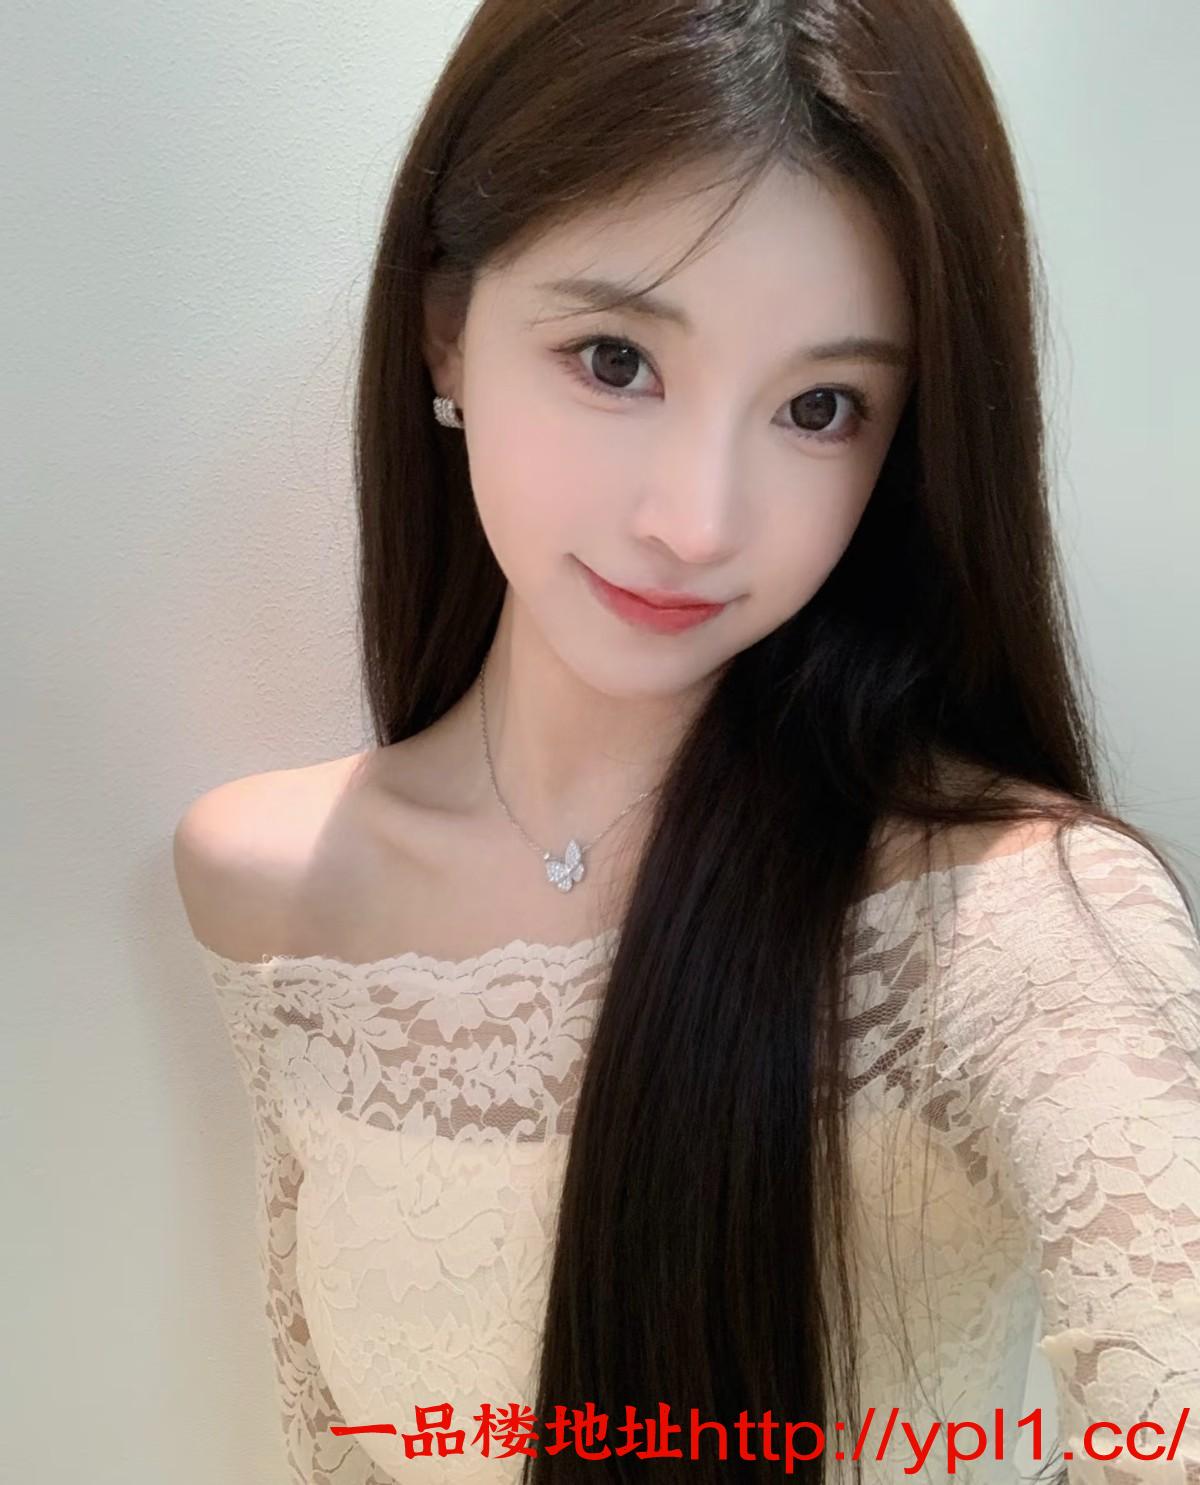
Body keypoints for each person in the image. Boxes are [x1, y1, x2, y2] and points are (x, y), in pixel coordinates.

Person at [172, 1, 1200, 1481]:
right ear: (446, 329)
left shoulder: (1008, 916)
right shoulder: (272, 893)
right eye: (614, 358)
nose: (698, 522)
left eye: (820, 406)